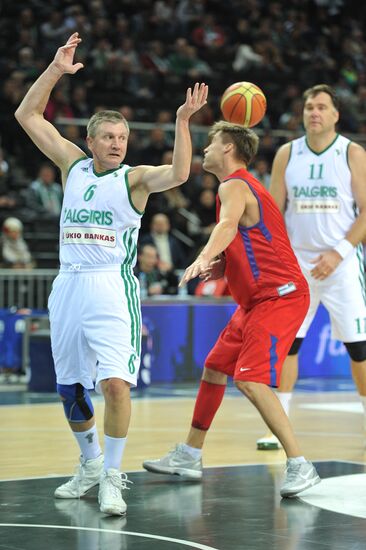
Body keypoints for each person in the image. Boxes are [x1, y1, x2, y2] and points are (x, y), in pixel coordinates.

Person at [15, 32, 208, 516]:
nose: (117, 143)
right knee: (69, 386)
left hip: (110, 287)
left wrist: (183, 122)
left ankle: (114, 476)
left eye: (122, 137)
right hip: (68, 285)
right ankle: (91, 465)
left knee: (115, 384)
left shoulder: (135, 179)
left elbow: (181, 174)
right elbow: (27, 116)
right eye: (108, 137)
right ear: (90, 140)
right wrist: (56, 70)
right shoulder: (72, 166)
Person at [143, 121, 321, 498]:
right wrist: (225, 264)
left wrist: (205, 255)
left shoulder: (234, 184)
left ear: (228, 149)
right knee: (214, 368)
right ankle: (190, 454)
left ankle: (300, 465)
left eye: (211, 143)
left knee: (250, 380)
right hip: (256, 301)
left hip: (280, 297)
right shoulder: (239, 187)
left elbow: (226, 225)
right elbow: (253, 239)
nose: (205, 149)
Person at [256, 84, 366, 450]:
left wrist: (338, 251)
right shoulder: (288, 154)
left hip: (342, 261)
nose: (313, 113)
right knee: (288, 344)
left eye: (321, 107)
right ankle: (278, 425)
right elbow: (273, 212)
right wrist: (276, 257)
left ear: (336, 114)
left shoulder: (352, 153)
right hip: (296, 263)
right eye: (308, 107)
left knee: (359, 348)